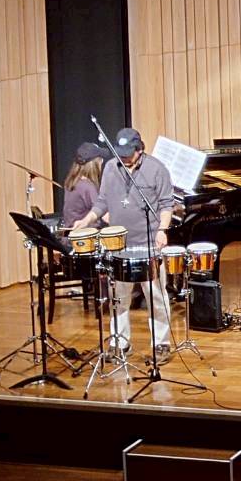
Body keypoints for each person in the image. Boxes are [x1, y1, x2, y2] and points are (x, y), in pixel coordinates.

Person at [71, 127, 175, 364]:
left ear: (140, 149)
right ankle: (120, 343)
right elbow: (102, 203)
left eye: (129, 153)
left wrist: (162, 230)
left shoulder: (156, 169)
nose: (125, 157)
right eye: (121, 153)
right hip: (119, 244)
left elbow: (166, 204)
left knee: (156, 297)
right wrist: (85, 221)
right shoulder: (110, 168)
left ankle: (161, 344)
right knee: (118, 298)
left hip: (149, 242)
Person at [60, 142, 109, 227]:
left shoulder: (72, 182)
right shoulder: (87, 187)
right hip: (86, 233)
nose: (102, 163)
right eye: (100, 160)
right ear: (94, 163)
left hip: (71, 232)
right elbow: (104, 215)